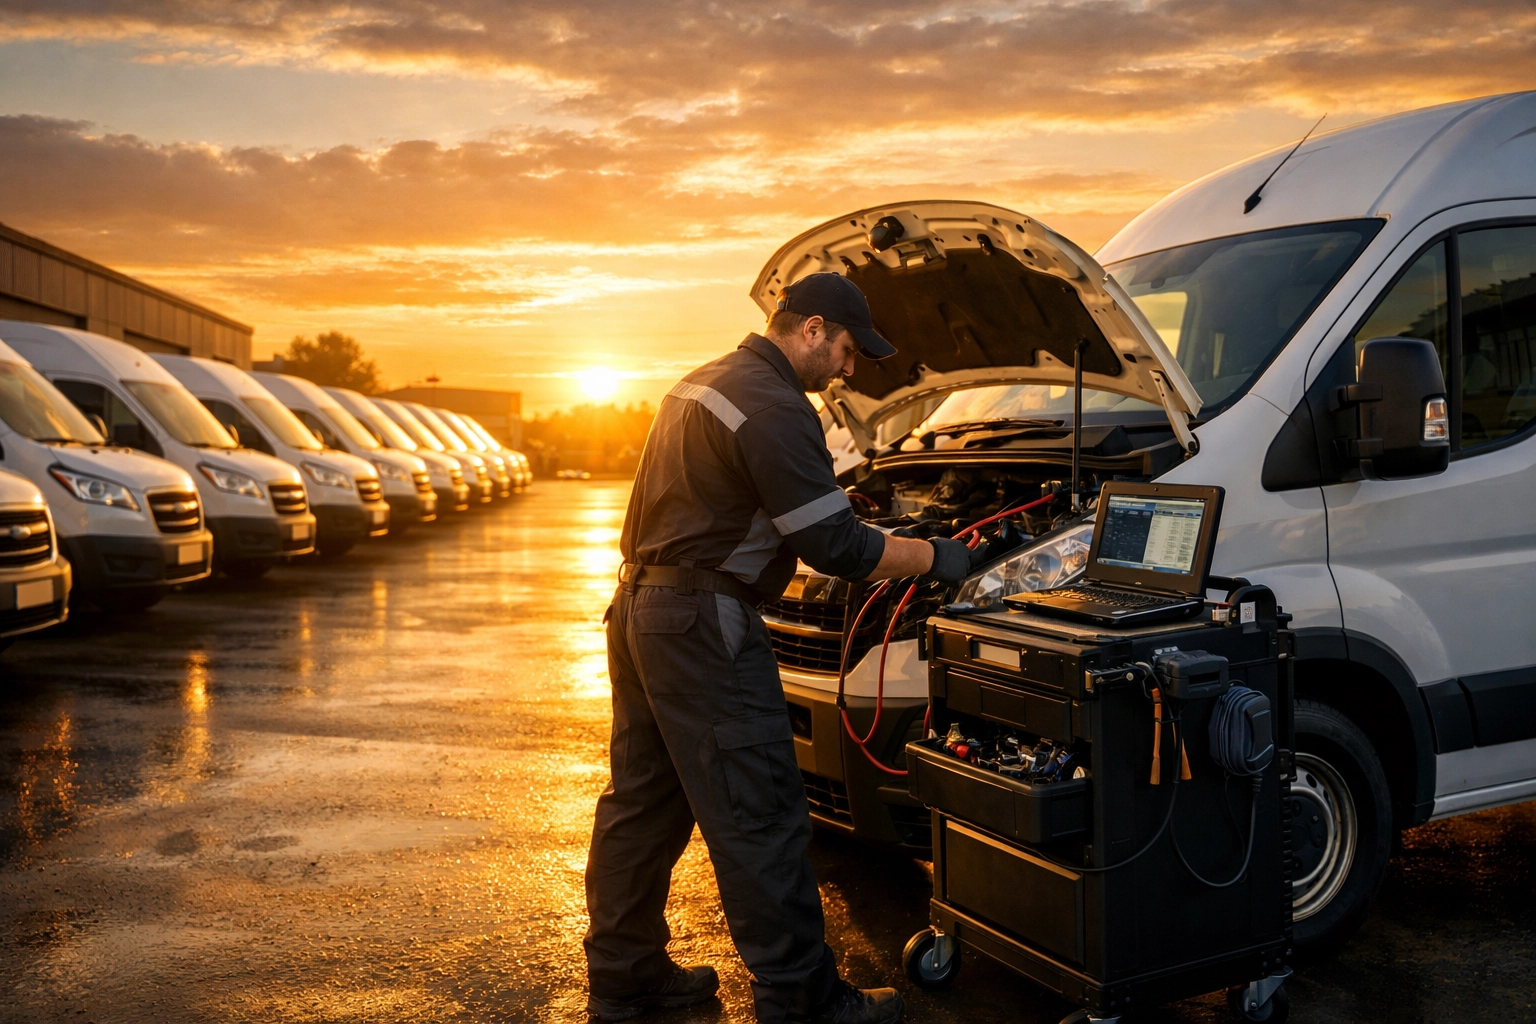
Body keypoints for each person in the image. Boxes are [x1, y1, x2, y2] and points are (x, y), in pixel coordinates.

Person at [584, 273, 989, 1023]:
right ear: (808, 329)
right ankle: (804, 1001)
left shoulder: (700, 383)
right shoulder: (772, 402)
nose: (848, 368)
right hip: (705, 626)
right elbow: (836, 545)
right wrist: (937, 557)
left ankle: (625, 975)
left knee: (641, 804)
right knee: (761, 811)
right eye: (844, 349)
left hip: (640, 609)